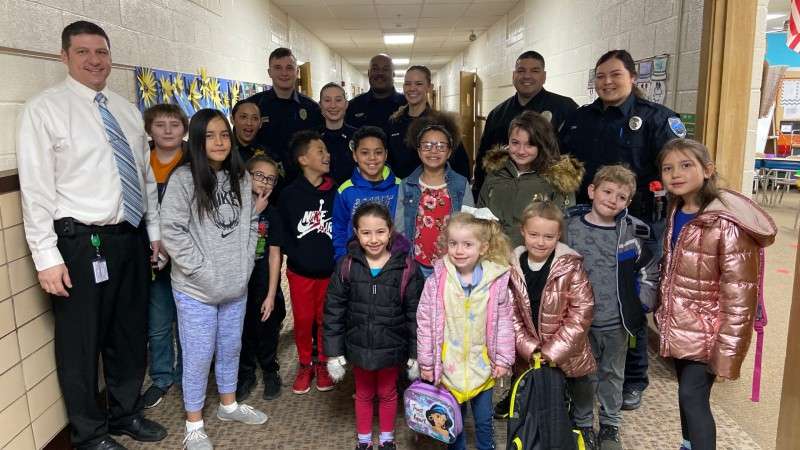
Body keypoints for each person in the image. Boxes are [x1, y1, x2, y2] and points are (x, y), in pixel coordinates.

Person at [16, 20, 167, 449]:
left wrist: (152, 232)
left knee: (128, 334)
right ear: (64, 57)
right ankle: (88, 435)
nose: (94, 60)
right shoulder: (44, 109)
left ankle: (124, 414)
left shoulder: (124, 109)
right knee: (81, 344)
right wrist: (45, 256)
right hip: (80, 243)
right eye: (83, 52)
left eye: (101, 52)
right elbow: (36, 189)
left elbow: (144, 178)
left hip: (130, 237)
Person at [559, 49, 686, 410]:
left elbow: (679, 168)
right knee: (589, 298)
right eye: (600, 76)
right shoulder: (580, 119)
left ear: (633, 77)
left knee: (630, 301)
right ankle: (588, 371)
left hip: (638, 227)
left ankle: (633, 378)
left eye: (615, 74)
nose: (607, 82)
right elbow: (563, 165)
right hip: (588, 223)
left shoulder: (657, 119)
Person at [656, 139, 776, 450]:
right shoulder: (677, 209)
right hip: (682, 325)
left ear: (708, 170)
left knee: (692, 397)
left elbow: (740, 295)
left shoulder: (726, 223)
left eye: (686, 165)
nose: (675, 174)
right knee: (686, 393)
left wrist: (728, 352)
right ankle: (688, 444)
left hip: (710, 331)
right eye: (668, 168)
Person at [160, 108, 269, 449]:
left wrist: (245, 265)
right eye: (210, 135)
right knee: (198, 354)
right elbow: (173, 232)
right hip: (196, 290)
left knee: (229, 348)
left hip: (235, 286)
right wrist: (202, 271)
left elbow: (252, 223)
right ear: (196, 140)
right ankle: (193, 424)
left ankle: (228, 404)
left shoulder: (241, 177)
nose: (219, 142)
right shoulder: (183, 179)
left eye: (224, 134)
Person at [564, 165, 660, 450]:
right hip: (580, 322)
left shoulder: (630, 232)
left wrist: (641, 302)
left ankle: (610, 425)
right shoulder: (570, 229)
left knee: (612, 374)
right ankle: (582, 424)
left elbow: (648, 270)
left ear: (628, 202)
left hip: (616, 322)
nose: (612, 199)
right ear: (592, 191)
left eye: (621, 196)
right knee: (582, 374)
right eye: (607, 191)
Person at [324, 203, 423, 450]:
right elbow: (333, 312)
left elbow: (415, 316)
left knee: (389, 393)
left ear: (390, 232)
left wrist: (415, 355)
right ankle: (364, 441)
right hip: (359, 347)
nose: (374, 239)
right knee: (364, 393)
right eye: (366, 232)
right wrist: (334, 353)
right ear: (356, 233)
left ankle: (387, 440)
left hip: (391, 347)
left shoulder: (407, 268)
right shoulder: (346, 266)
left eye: (380, 231)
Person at [416, 211, 516, 450]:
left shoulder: (495, 281)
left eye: (467, 244)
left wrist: (503, 359)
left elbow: (504, 322)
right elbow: (425, 322)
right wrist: (427, 363)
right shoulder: (437, 281)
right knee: (453, 422)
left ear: (482, 248)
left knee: (484, 421)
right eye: (453, 244)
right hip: (448, 368)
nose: (459, 250)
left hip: (482, 367)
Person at [492, 201, 596, 421]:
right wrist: (531, 348)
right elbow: (509, 313)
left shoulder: (571, 266)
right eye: (534, 234)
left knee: (578, 392)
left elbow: (581, 312)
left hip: (568, 349)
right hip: (529, 351)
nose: (540, 242)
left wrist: (553, 350)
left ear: (558, 235)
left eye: (549, 237)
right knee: (533, 399)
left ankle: (583, 427)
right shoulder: (512, 267)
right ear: (523, 232)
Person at [278, 130, 337, 394]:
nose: (327, 155)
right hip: (300, 272)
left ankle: (323, 362)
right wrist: (298, 254)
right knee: (302, 320)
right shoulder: (290, 195)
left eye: (326, 151)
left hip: (329, 271)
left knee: (325, 319)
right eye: (320, 151)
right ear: (303, 159)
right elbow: (284, 234)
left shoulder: (336, 191)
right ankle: (305, 363)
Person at [472, 51, 578, 197]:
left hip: (548, 195)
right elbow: (483, 158)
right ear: (513, 75)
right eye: (521, 71)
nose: (527, 76)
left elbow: (574, 157)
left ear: (544, 76)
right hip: (503, 193)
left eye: (535, 71)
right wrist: (477, 192)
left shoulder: (565, 108)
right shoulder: (498, 113)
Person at [139, 103, 188, 410]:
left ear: (184, 129)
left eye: (174, 124)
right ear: (149, 129)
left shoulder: (194, 160)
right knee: (158, 322)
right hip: (153, 252)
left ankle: (186, 375)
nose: (168, 131)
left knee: (186, 319)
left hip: (185, 254)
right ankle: (161, 377)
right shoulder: (141, 160)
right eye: (160, 125)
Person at [477, 110, 583, 248]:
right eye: (515, 143)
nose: (521, 151)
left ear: (542, 145)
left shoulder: (558, 181)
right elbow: (479, 219)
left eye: (530, 145)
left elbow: (563, 230)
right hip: (493, 259)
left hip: (535, 260)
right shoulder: (495, 173)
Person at [395, 114, 474, 278]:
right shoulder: (407, 185)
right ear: (418, 150)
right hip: (416, 264)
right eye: (427, 145)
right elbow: (400, 227)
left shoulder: (460, 184)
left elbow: (469, 225)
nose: (433, 151)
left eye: (440, 146)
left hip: (450, 265)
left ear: (449, 151)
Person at [236, 155, 287, 402]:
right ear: (246, 177)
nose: (264, 183)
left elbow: (275, 255)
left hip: (263, 280)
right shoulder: (232, 209)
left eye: (271, 179)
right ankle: (245, 373)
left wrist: (270, 294)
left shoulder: (274, 215)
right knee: (241, 329)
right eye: (259, 176)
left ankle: (270, 370)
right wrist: (252, 213)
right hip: (237, 282)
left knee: (267, 325)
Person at [247, 47, 323, 180]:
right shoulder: (253, 106)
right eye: (277, 67)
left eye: (289, 67)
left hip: (302, 182)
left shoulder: (312, 108)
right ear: (269, 72)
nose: (284, 73)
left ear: (297, 71)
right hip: (264, 182)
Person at [386, 65, 469, 179]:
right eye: (407, 83)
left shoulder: (443, 123)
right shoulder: (394, 122)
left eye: (419, 84)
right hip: (399, 191)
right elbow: (387, 161)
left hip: (434, 193)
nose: (412, 88)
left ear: (429, 87)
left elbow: (461, 167)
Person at [332, 126, 400, 261]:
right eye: (364, 152)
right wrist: (342, 260)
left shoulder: (400, 186)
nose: (372, 158)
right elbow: (338, 229)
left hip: (393, 262)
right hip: (357, 264)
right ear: (354, 155)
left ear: (386, 154)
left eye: (378, 152)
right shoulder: (345, 191)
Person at [346, 54, 407, 134]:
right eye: (375, 69)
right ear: (368, 73)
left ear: (393, 74)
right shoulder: (353, 106)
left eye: (386, 69)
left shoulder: (407, 104)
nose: (380, 73)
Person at [320, 82, 358, 185]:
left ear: (346, 104)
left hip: (352, 196)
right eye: (327, 100)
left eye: (338, 100)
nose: (333, 105)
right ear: (320, 105)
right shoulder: (313, 138)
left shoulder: (359, 136)